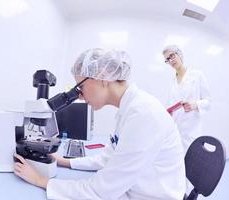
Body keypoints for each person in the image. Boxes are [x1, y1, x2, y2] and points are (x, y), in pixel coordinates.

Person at [14, 48, 186, 200]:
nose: (79, 95)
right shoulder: (129, 109)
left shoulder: (143, 114)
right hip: (136, 189)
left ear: (103, 77)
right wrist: (63, 162)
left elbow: (102, 191)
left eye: (80, 86)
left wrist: (41, 181)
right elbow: (107, 159)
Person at [162, 45, 211, 153]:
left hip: (192, 128)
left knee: (194, 159)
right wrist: (169, 112)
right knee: (180, 161)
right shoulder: (172, 81)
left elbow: (208, 102)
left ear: (179, 54)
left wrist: (195, 105)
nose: (171, 60)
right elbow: (171, 103)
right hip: (177, 129)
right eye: (167, 59)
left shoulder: (197, 75)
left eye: (172, 55)